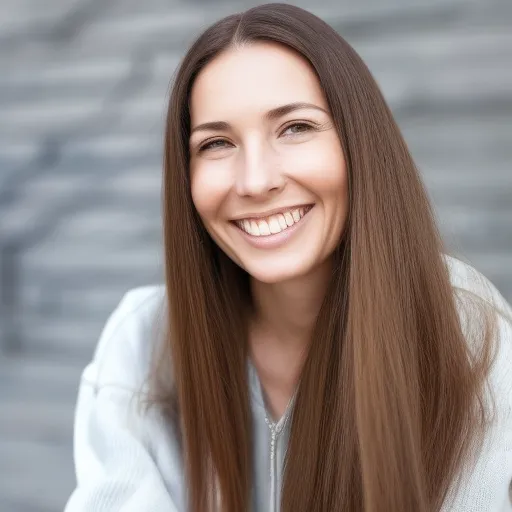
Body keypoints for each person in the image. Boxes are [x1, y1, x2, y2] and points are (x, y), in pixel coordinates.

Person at [63, 3, 512, 511]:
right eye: (216, 142)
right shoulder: (143, 343)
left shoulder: (469, 331)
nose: (255, 181)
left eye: (295, 128)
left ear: (358, 142)